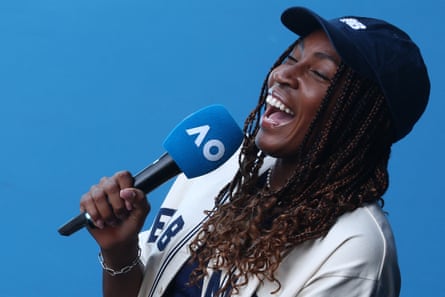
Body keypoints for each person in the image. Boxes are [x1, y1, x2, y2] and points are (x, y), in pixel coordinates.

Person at [79, 6, 430, 297]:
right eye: (291, 57)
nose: (283, 74)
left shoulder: (355, 250)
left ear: (361, 118)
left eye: (319, 74)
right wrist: (120, 253)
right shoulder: (221, 166)